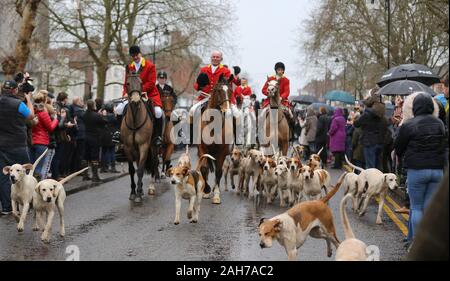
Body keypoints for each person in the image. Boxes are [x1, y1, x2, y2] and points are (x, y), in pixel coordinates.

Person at [394, 92, 446, 245]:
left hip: (417, 170)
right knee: (429, 209)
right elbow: (443, 145)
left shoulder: (409, 124)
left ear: (414, 107)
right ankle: (423, 241)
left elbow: (398, 148)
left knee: (416, 207)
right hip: (437, 171)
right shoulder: (439, 124)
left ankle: (417, 242)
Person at [0, 80, 34, 215]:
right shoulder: (18, 104)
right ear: (14, 90)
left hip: (1, 144)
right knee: (23, 174)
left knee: (3, 176)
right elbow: (31, 116)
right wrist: (29, 100)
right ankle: (25, 202)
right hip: (17, 144)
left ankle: (7, 207)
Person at [121, 45, 163, 146]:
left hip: (148, 94)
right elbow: (126, 83)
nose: (135, 57)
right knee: (119, 109)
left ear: (140, 54)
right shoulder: (129, 67)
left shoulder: (150, 66)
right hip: (132, 95)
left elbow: (151, 82)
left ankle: (157, 136)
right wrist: (125, 93)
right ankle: (119, 134)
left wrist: (138, 91)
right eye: (133, 56)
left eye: (136, 55)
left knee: (158, 112)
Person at [190, 51, 240, 118]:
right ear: (211, 58)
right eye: (213, 57)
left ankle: (236, 128)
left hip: (222, 98)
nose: (215, 58)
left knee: (236, 114)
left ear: (221, 59)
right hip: (206, 97)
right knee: (192, 111)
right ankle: (191, 128)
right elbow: (197, 84)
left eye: (217, 57)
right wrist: (199, 87)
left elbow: (227, 86)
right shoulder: (204, 69)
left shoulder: (225, 71)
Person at [354, 89, 386, 169]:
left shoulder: (367, 114)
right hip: (380, 142)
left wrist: (355, 118)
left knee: (370, 167)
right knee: (378, 167)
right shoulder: (382, 112)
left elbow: (356, 124)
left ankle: (371, 181)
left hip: (369, 142)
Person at [31, 90, 59, 180]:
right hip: (42, 142)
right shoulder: (43, 113)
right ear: (44, 100)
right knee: (39, 167)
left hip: (32, 141)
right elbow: (50, 128)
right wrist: (56, 119)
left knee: (32, 167)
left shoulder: (32, 111)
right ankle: (38, 187)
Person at [82, 100, 107, 182]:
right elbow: (104, 122)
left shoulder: (84, 114)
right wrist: (103, 115)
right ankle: (95, 176)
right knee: (95, 156)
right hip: (94, 138)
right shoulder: (96, 115)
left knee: (86, 156)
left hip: (86, 136)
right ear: (93, 106)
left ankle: (85, 175)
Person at [100, 103, 119, 173]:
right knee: (112, 151)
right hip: (111, 136)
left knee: (104, 151)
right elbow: (117, 125)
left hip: (103, 136)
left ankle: (104, 167)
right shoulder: (113, 117)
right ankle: (113, 167)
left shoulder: (103, 116)